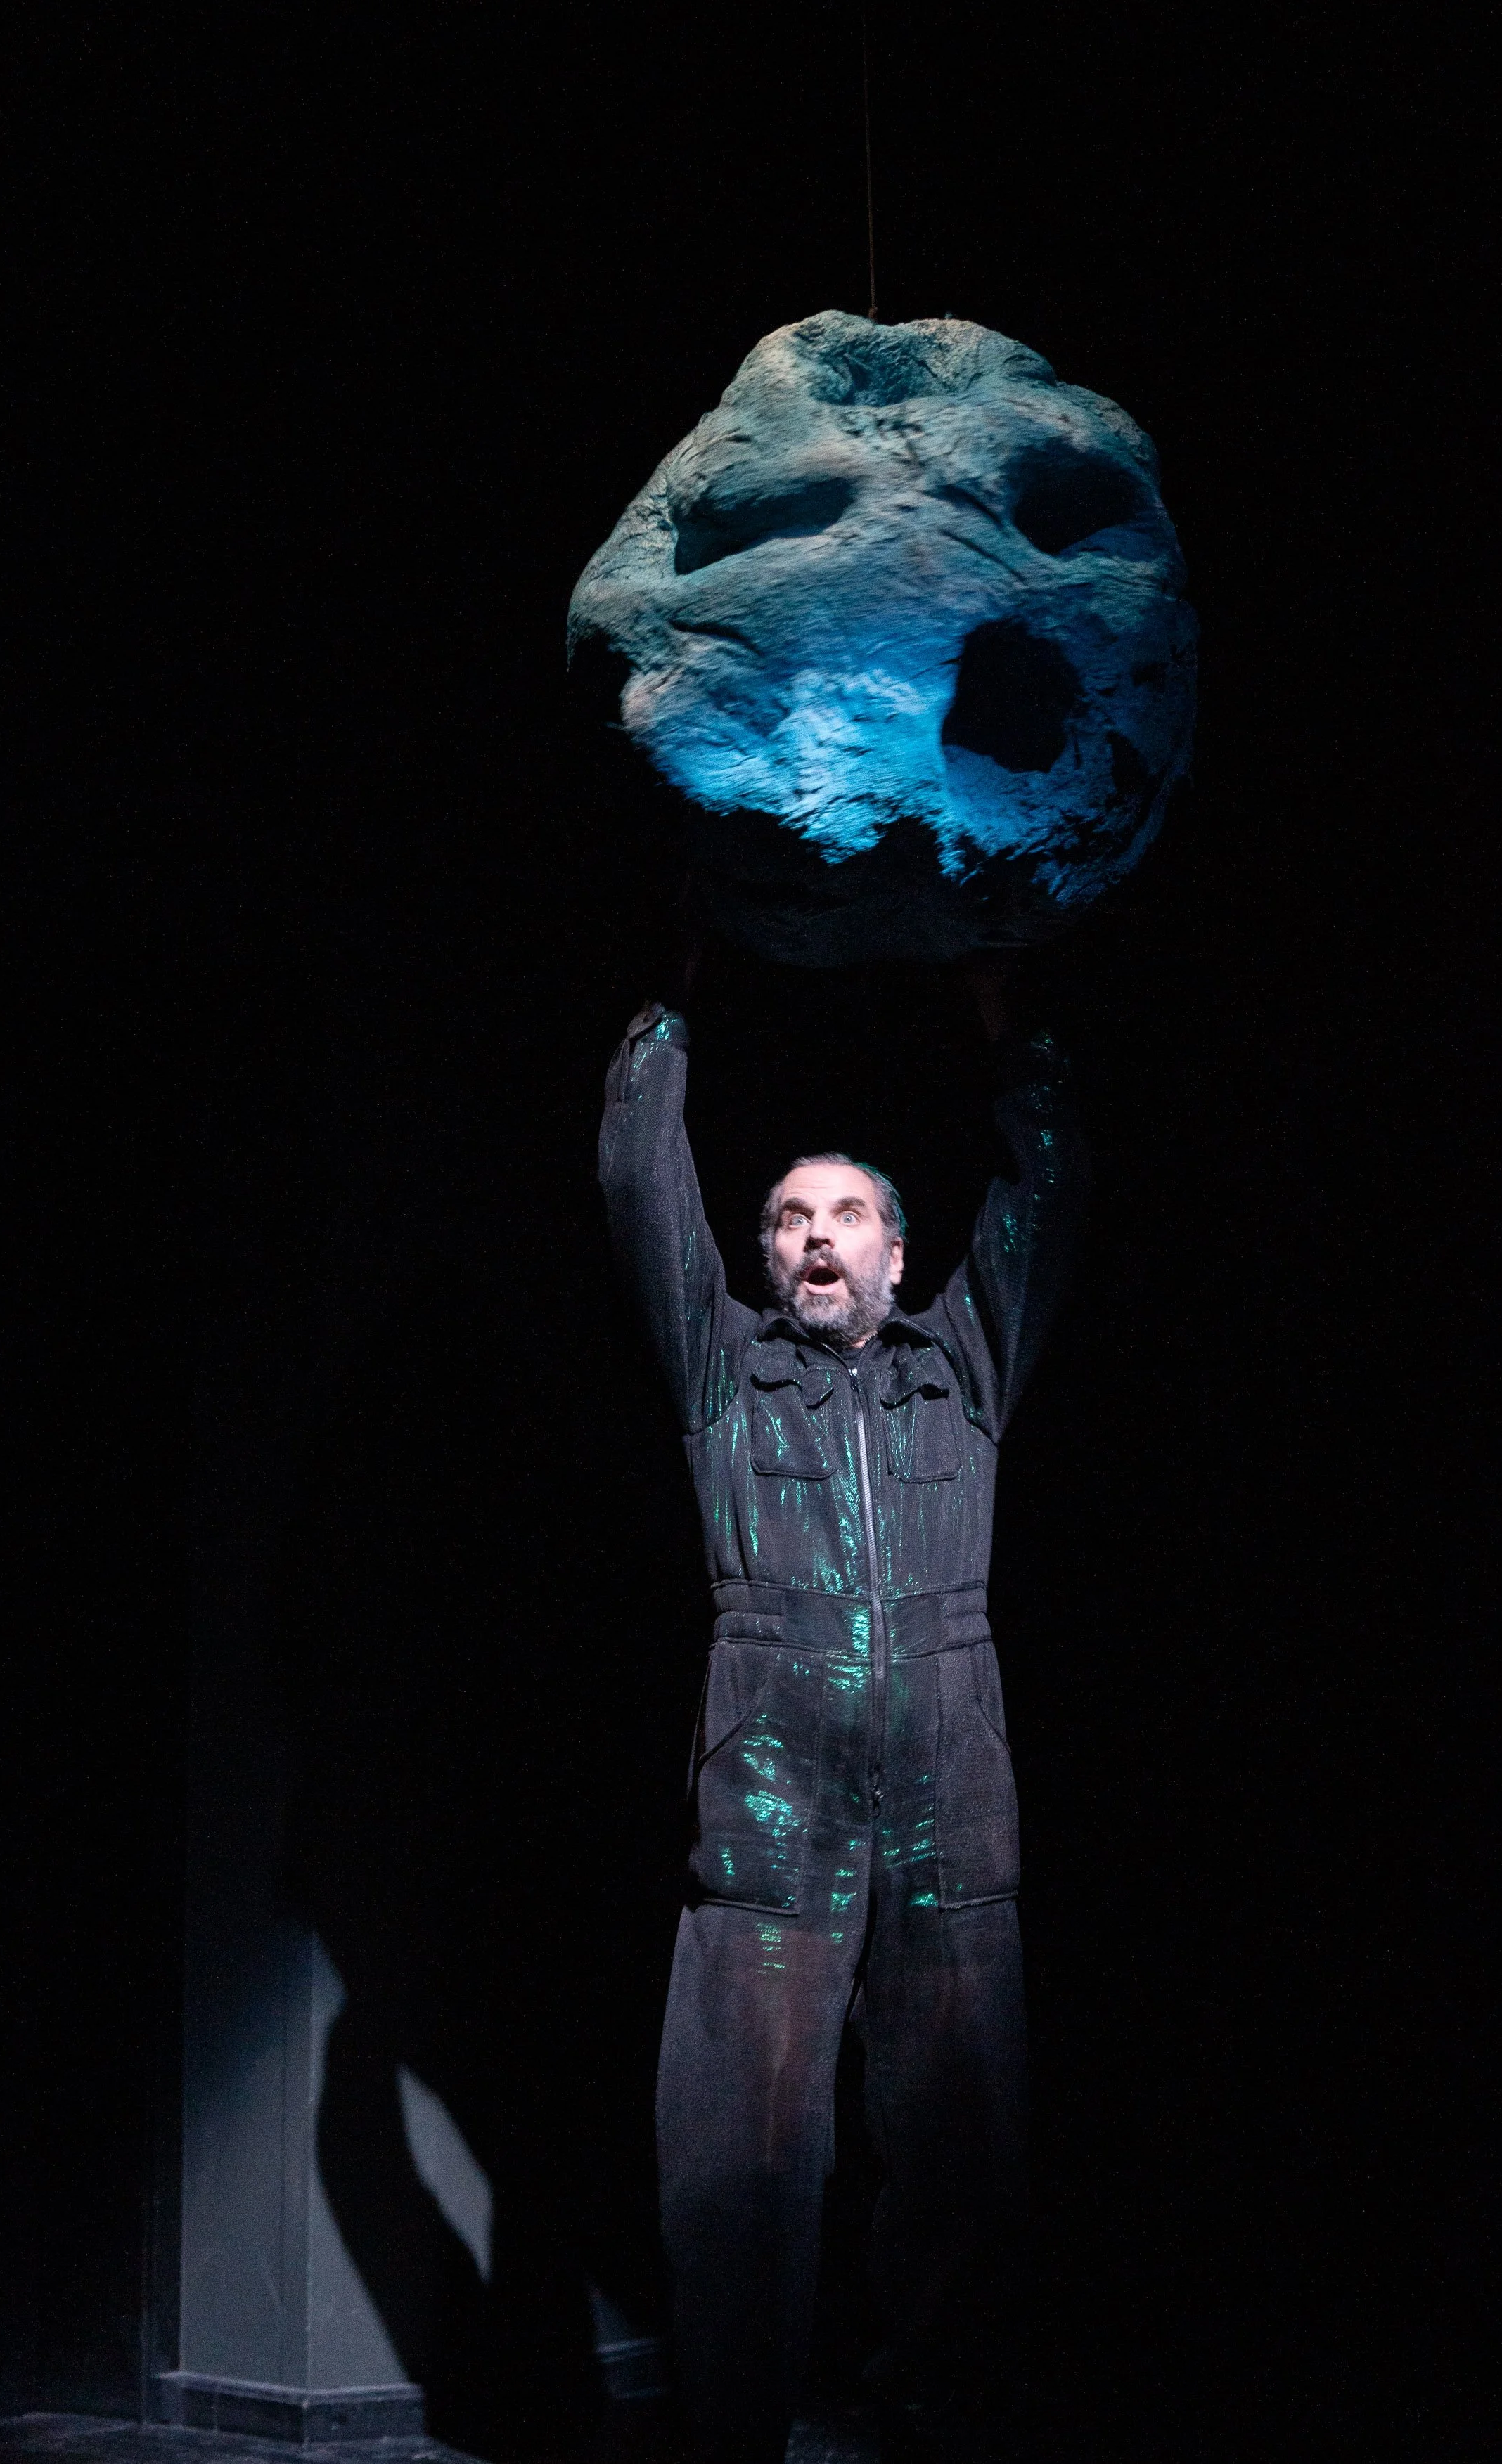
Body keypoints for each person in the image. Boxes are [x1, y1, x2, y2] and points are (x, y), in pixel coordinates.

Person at [598, 962, 1087, 2464]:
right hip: (771, 1794)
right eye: (787, 1218)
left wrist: (1023, 1043)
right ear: (763, 1258)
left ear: (897, 1249)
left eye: (844, 1213)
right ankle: (733, 2420)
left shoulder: (968, 1367)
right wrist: (660, 1019)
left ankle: (938, 2402)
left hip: (951, 1777)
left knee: (962, 2142)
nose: (814, 1233)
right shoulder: (722, 1376)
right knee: (737, 2144)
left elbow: (1048, 1192)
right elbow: (639, 1182)